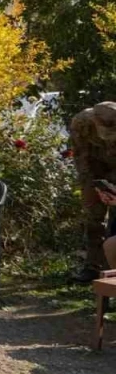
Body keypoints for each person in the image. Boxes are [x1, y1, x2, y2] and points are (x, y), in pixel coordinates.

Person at [70, 102, 116, 282]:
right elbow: (81, 157)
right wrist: (94, 185)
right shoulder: (81, 123)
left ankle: (111, 269)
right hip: (94, 172)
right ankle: (92, 267)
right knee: (93, 218)